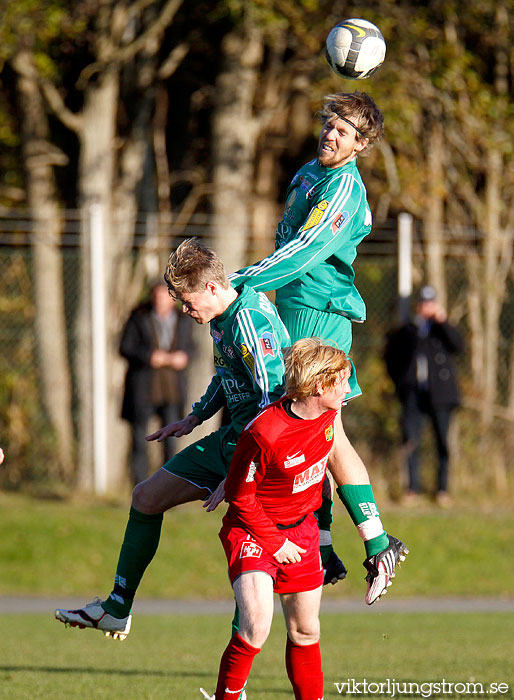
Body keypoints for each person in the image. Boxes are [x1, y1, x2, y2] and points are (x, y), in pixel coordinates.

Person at [55, 238, 289, 641]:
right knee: (145, 497)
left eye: (186, 299)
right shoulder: (222, 316)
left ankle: (234, 684)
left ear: (212, 288)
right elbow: (229, 374)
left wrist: (238, 475)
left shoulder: (250, 319)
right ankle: (117, 608)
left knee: (252, 581)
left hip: (260, 454)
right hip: (231, 439)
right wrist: (195, 417)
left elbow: (273, 402)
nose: (184, 308)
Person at [229, 91, 398, 585]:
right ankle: (324, 545)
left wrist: (246, 280)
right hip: (295, 310)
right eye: (330, 125)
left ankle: (379, 544)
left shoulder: (345, 190)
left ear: (361, 145)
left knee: (327, 431)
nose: (332, 135)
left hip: (320, 316)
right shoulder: (308, 172)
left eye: (344, 132)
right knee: (308, 435)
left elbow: (305, 251)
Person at [201, 339, 408, 700]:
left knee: (305, 631)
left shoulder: (328, 417)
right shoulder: (264, 433)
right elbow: (240, 497)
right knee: (255, 626)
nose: (348, 388)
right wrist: (274, 542)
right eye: (343, 381)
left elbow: (328, 477)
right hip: (252, 531)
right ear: (319, 386)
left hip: (302, 532)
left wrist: (326, 539)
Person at [384, 285, 464, 505]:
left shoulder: (442, 329)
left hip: (440, 395)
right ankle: (412, 489)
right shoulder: (408, 331)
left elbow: (458, 346)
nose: (426, 307)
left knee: (442, 441)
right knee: (411, 440)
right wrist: (400, 384)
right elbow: (391, 358)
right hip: (413, 394)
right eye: (423, 303)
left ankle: (442, 489)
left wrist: (442, 322)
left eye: (430, 303)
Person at [119, 280, 194, 484]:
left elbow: (191, 348)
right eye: (157, 295)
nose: (160, 300)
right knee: (139, 441)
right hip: (143, 389)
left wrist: (184, 357)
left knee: (170, 442)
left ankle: (167, 485)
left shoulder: (183, 319)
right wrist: (149, 357)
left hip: (172, 391)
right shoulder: (139, 317)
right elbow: (125, 347)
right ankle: (139, 485)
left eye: (165, 295)